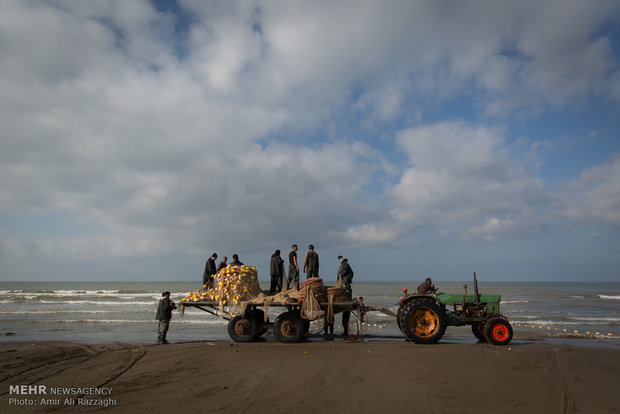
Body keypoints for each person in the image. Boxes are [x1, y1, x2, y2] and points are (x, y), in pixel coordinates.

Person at [337, 255, 354, 336]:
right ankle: (346, 332)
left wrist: (340, 275)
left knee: (345, 292)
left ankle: (346, 332)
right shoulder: (346, 264)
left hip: (345, 283)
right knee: (346, 316)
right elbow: (352, 273)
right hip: (347, 282)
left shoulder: (344, 264)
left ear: (340, 259)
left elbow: (344, 271)